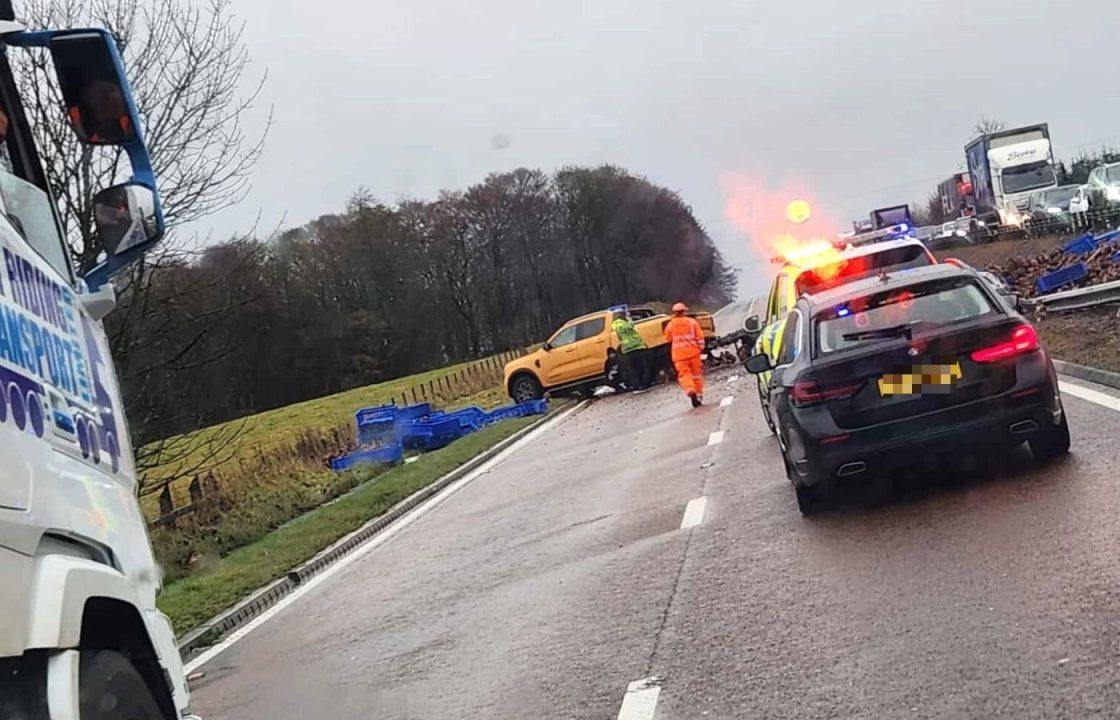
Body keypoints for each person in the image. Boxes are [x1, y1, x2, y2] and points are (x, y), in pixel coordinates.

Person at [663, 302, 705, 407]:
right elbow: (700, 337)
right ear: (684, 311)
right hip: (693, 353)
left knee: (684, 375)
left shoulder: (671, 325)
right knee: (696, 375)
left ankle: (690, 390)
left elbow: (667, 338)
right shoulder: (692, 322)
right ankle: (699, 394)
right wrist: (701, 348)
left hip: (679, 356)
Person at [612, 310, 651, 390]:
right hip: (634, 347)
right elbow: (629, 327)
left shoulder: (617, 324)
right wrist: (629, 319)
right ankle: (641, 385)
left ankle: (638, 385)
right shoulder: (621, 324)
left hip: (629, 349)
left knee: (634, 369)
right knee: (639, 367)